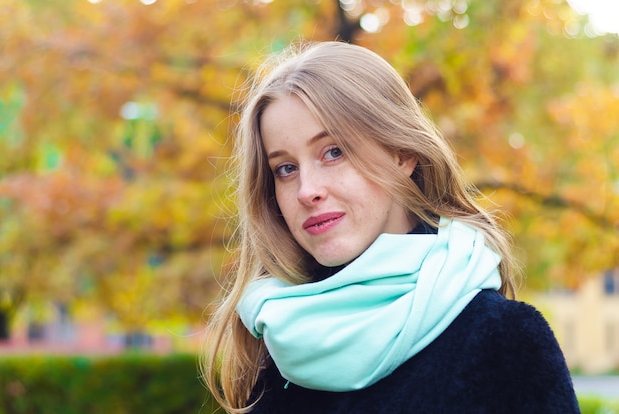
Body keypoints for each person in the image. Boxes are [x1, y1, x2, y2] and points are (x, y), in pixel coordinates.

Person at [202, 41, 580, 413]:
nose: (307, 190)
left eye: (334, 151)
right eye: (286, 168)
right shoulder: (282, 349)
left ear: (402, 154)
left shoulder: (503, 341)